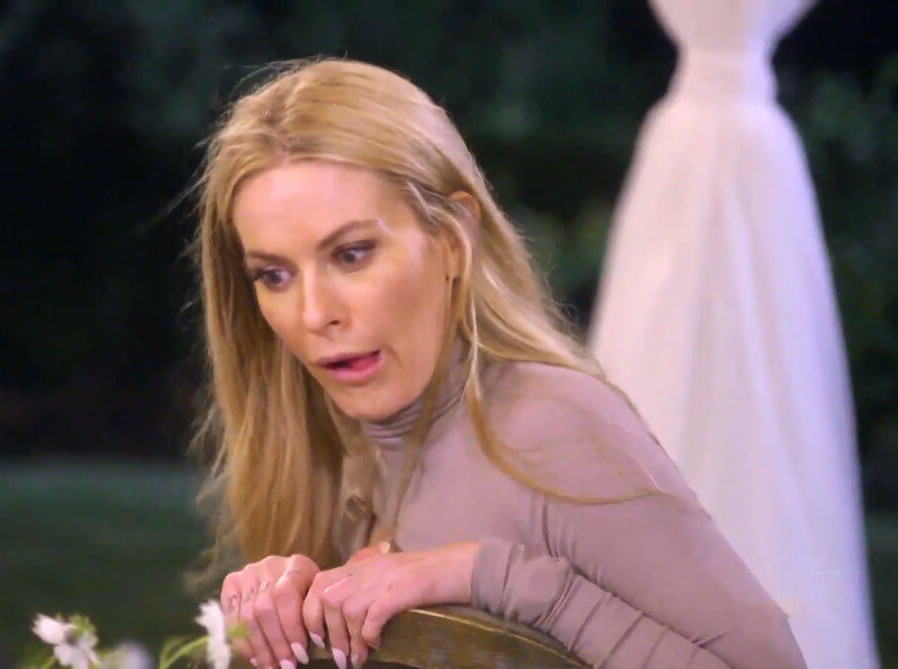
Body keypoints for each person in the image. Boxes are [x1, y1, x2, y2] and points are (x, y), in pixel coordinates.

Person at [190, 59, 805, 669]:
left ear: (453, 238)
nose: (314, 313)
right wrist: (283, 619)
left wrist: (495, 577)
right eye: (274, 275)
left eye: (352, 254)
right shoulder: (332, 453)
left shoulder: (551, 426)